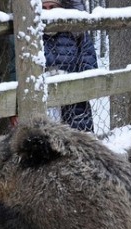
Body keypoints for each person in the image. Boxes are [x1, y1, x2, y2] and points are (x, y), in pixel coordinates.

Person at [41, 0, 98, 132]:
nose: (48, 12)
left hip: (76, 110)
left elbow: (90, 70)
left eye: (52, 7)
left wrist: (68, 81)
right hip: (42, 107)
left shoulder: (77, 33)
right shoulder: (32, 36)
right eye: (44, 8)